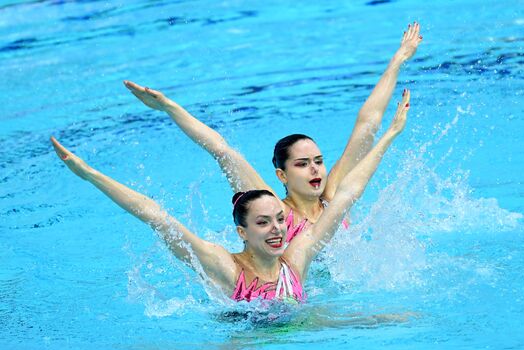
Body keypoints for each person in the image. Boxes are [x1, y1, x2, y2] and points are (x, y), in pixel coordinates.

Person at [50, 90, 411, 303]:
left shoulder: (297, 258)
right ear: (242, 231)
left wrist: (392, 134)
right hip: (243, 346)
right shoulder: (224, 267)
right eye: (264, 222)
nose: (278, 230)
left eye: (280, 222)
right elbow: (155, 216)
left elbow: (349, 192)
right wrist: (90, 174)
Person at [123, 23, 422, 242]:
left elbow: (366, 125)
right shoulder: (276, 214)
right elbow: (221, 150)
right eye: (302, 164)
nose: (315, 169)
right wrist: (168, 107)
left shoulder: (332, 197)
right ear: (282, 175)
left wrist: (398, 60)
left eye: (318, 160)